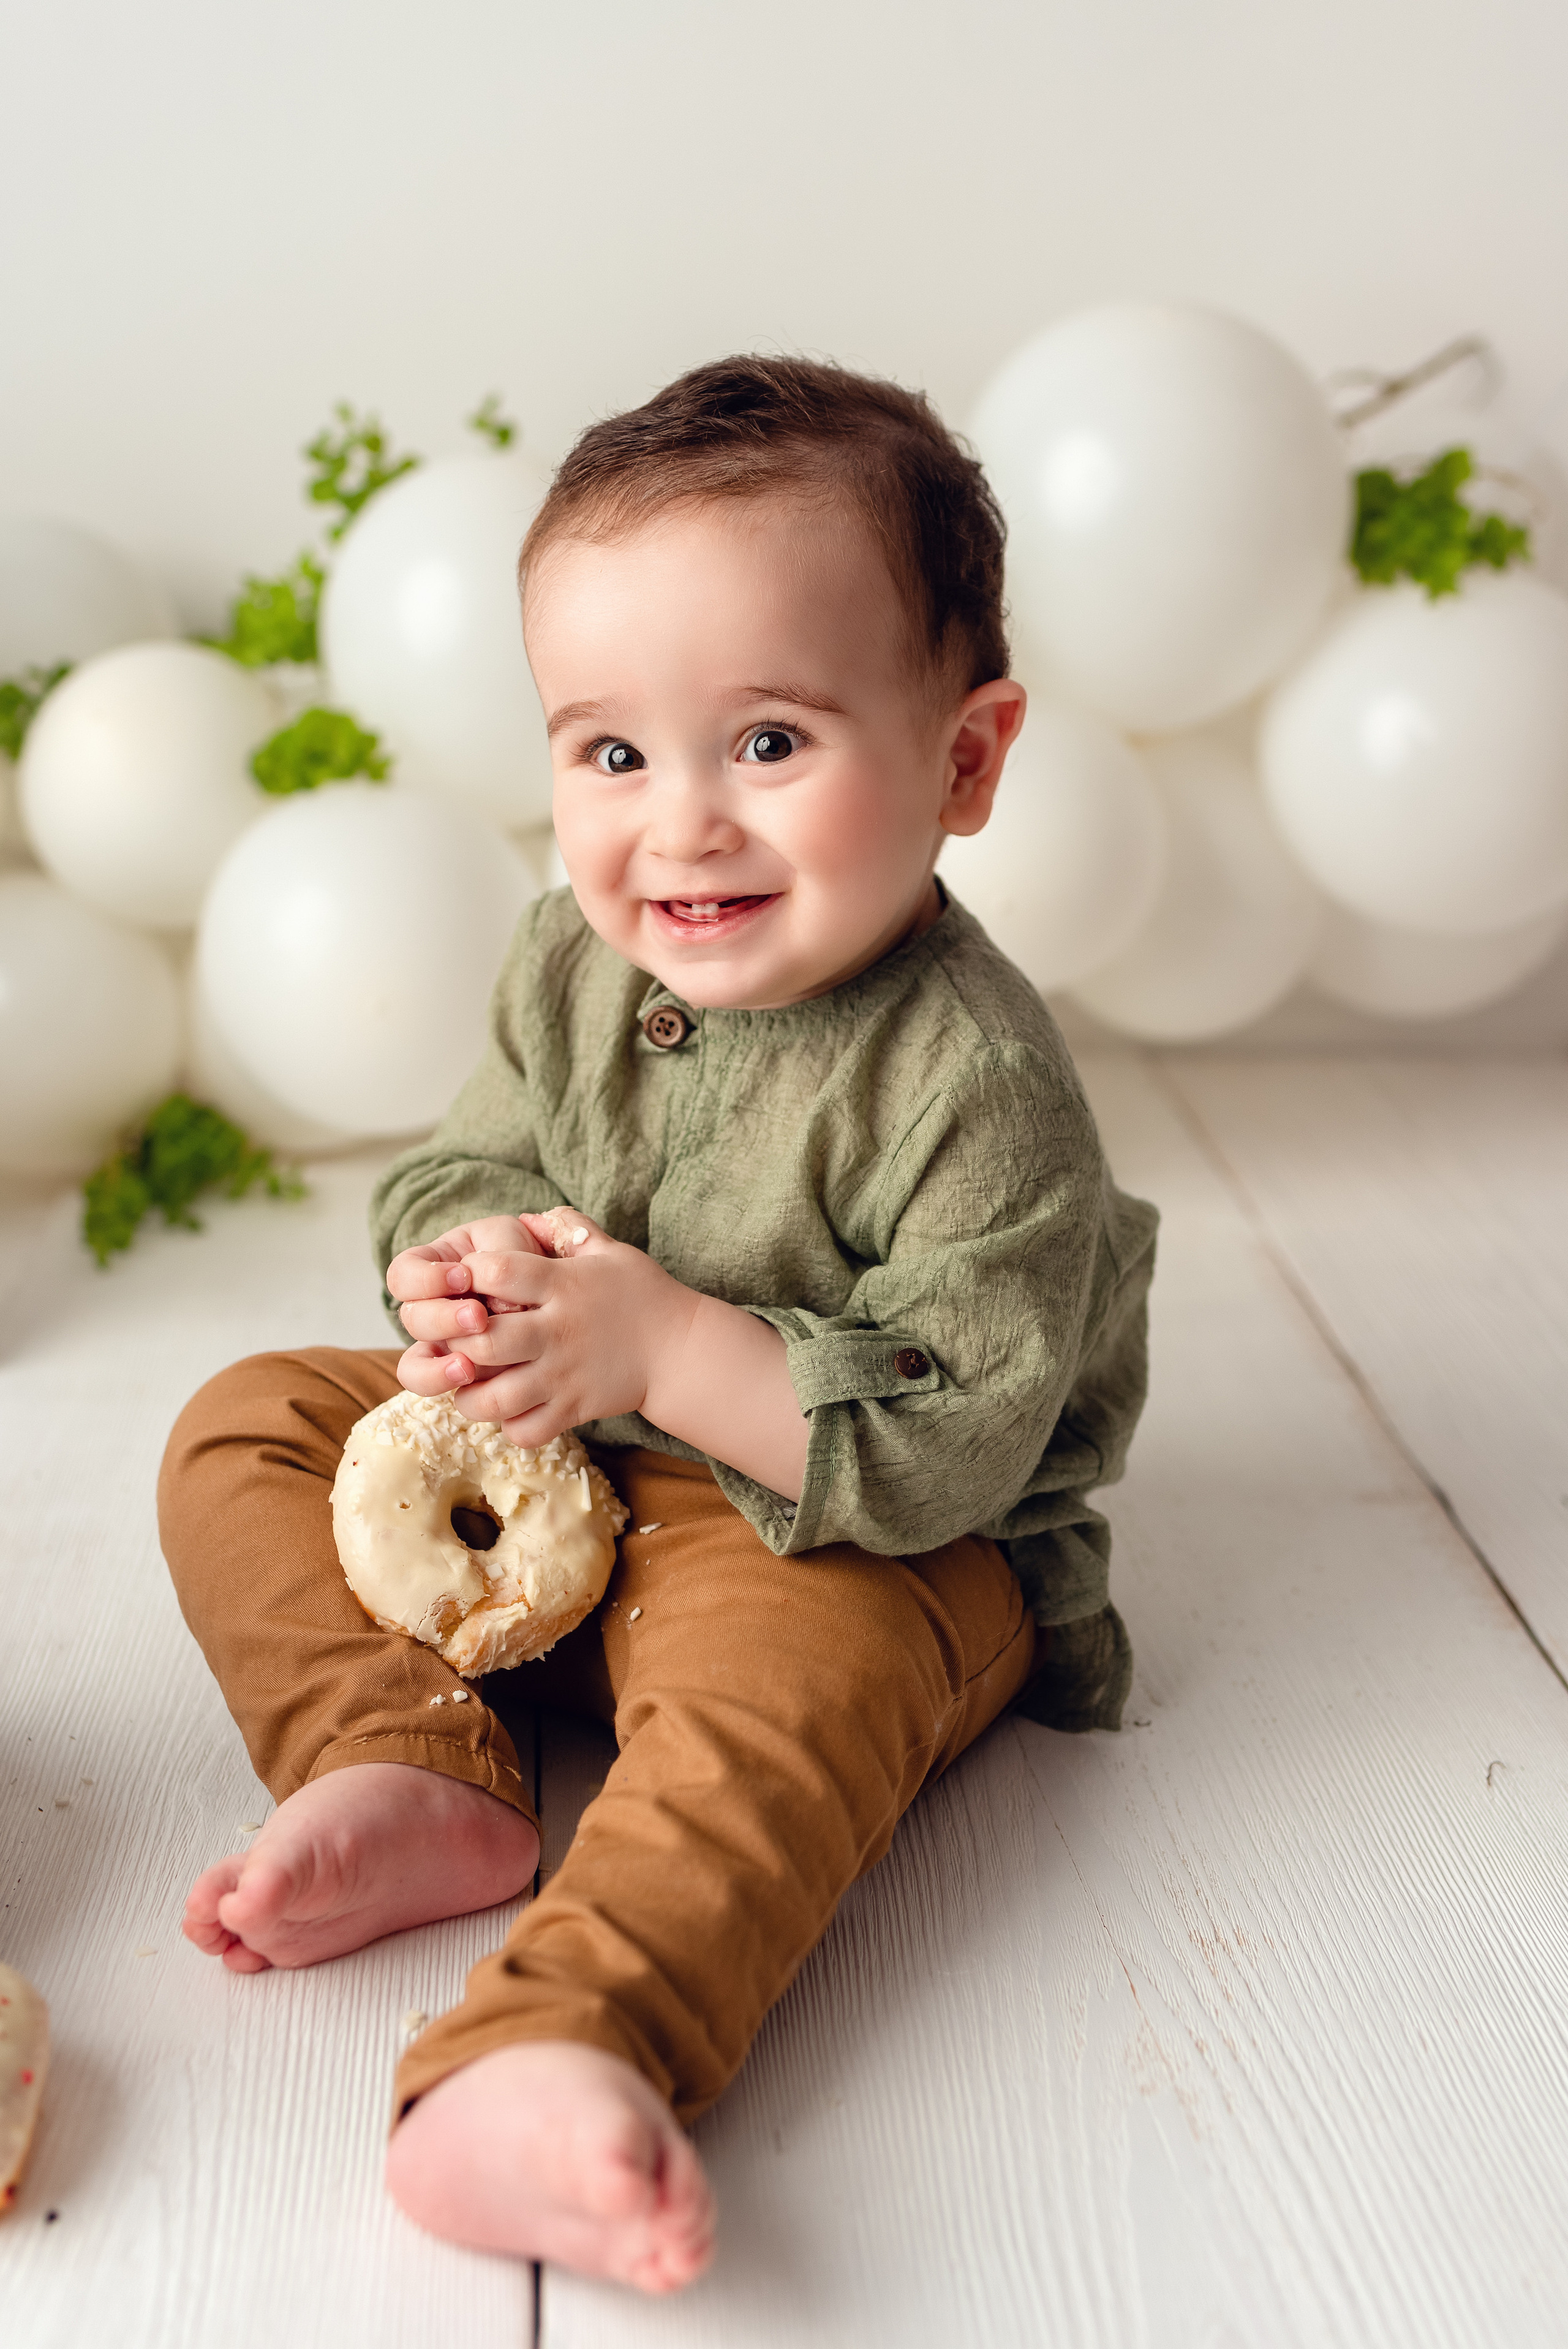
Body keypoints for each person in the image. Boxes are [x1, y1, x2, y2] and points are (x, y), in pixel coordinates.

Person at [159, 356, 1158, 2295]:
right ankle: (411, 1761)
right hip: (566, 1447)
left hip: (853, 1530)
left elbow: (961, 1432)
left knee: (777, 1716)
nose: (679, 825)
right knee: (242, 1422)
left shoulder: (972, 1080)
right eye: (611, 754)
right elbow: (459, 1162)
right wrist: (458, 1275)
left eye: (768, 742)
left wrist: (670, 1352)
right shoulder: (572, 962)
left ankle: (560, 2039)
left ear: (964, 759)